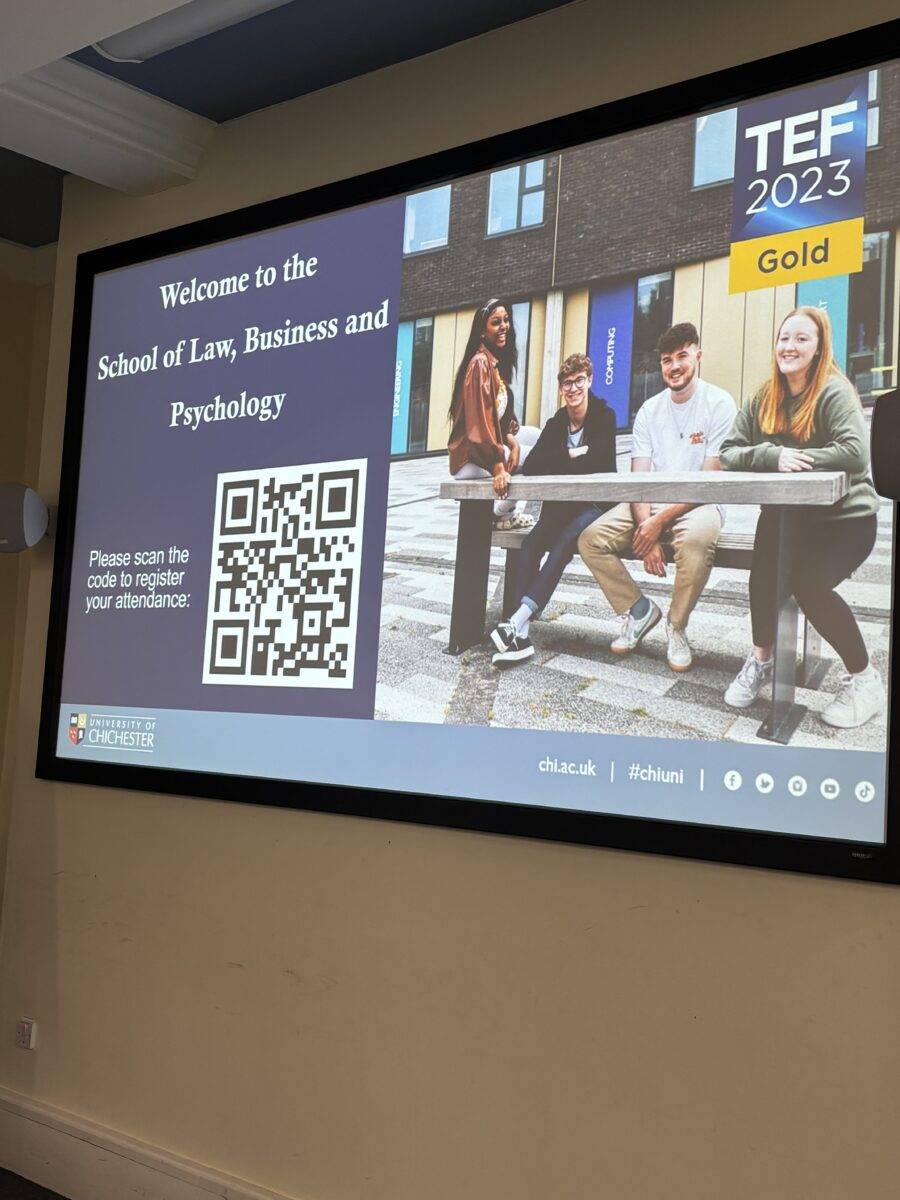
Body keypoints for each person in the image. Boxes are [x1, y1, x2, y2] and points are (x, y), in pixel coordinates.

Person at [720, 306, 883, 728]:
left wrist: (800, 458)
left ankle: (866, 680)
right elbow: (729, 451)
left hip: (845, 520)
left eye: (801, 338)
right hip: (792, 516)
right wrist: (772, 455)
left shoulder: (833, 391)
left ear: (818, 347)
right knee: (764, 570)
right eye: (784, 337)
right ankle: (762, 660)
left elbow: (855, 452)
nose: (789, 346)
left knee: (810, 585)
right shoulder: (763, 396)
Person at [577, 322, 735, 671]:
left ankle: (676, 627)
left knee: (695, 541)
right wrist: (646, 527)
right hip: (651, 501)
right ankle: (639, 611)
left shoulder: (719, 403)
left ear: (698, 355)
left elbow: (709, 480)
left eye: (682, 356)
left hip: (701, 502)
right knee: (591, 539)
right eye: (667, 360)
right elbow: (640, 478)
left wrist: (656, 525)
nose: (674, 366)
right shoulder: (649, 410)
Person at [489, 353, 617, 665]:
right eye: (567, 384)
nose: (573, 388)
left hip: (595, 505)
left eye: (579, 381)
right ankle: (519, 634)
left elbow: (599, 461)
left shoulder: (604, 415)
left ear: (589, 381)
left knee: (564, 542)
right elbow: (533, 466)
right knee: (532, 543)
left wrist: (563, 459)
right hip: (562, 504)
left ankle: (516, 619)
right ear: (561, 388)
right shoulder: (557, 422)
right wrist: (573, 457)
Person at [448, 298, 538, 530]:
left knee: (538, 437)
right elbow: (479, 424)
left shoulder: (493, 363)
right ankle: (500, 514)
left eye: (506, 320)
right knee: (540, 457)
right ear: (482, 332)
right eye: (496, 322)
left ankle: (506, 510)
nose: (504, 327)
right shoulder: (479, 364)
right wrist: (498, 466)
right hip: (472, 456)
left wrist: (514, 446)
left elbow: (498, 423)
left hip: (486, 446)